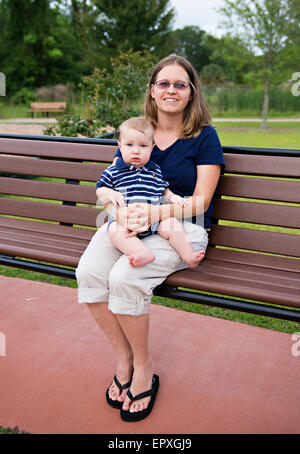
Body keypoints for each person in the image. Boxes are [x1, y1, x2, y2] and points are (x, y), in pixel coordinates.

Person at [76, 54, 225, 422]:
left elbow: (201, 200)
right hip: (130, 225)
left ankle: (142, 367)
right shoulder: (137, 133)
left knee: (125, 278)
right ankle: (123, 356)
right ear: (152, 90)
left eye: (180, 84)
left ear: (191, 93)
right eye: (164, 83)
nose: (171, 90)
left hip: (181, 228)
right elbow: (112, 184)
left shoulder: (204, 136)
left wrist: (157, 213)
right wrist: (116, 211)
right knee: (90, 273)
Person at [96, 116, 205, 269]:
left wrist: (173, 197)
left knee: (172, 224)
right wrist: (109, 193)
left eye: (142, 146)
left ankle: (188, 255)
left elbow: (163, 189)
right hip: (126, 220)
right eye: (129, 145)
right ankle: (141, 252)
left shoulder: (154, 171)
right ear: (120, 146)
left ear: (152, 148)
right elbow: (100, 189)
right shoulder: (113, 171)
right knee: (115, 231)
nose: (136, 151)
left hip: (153, 221)